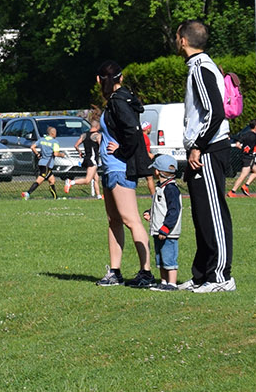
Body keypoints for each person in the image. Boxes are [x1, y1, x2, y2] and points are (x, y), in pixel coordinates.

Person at [178, 21, 235, 290]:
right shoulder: (197, 67)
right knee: (201, 215)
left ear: (182, 41)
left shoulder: (201, 68)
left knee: (214, 214)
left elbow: (215, 112)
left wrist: (198, 145)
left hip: (210, 150)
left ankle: (221, 277)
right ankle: (202, 275)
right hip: (202, 150)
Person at [95, 62, 155, 289]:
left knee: (131, 220)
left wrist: (119, 151)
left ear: (101, 80)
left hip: (119, 167)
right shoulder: (117, 99)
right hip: (110, 167)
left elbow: (133, 131)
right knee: (114, 221)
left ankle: (146, 271)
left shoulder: (119, 100)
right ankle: (115, 272)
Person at [147, 154, 184, 290]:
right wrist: (150, 212)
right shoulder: (161, 187)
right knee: (160, 259)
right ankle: (163, 282)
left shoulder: (171, 189)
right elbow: (160, 206)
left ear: (157, 171)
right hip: (158, 230)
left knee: (169, 258)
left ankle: (172, 283)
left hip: (167, 232)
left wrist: (166, 228)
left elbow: (174, 210)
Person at [20, 125, 62, 199]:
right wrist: (62, 155)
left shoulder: (42, 140)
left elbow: (32, 147)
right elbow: (56, 153)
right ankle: (27, 193)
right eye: (55, 132)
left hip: (41, 162)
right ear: (52, 133)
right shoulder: (55, 142)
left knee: (52, 180)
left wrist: (37, 154)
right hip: (47, 164)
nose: (56, 134)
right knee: (39, 180)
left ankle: (55, 198)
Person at [227, 123, 256, 197]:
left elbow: (237, 144)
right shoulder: (255, 136)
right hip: (249, 158)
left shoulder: (244, 134)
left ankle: (246, 185)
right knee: (243, 176)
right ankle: (232, 191)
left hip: (245, 156)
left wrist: (243, 149)